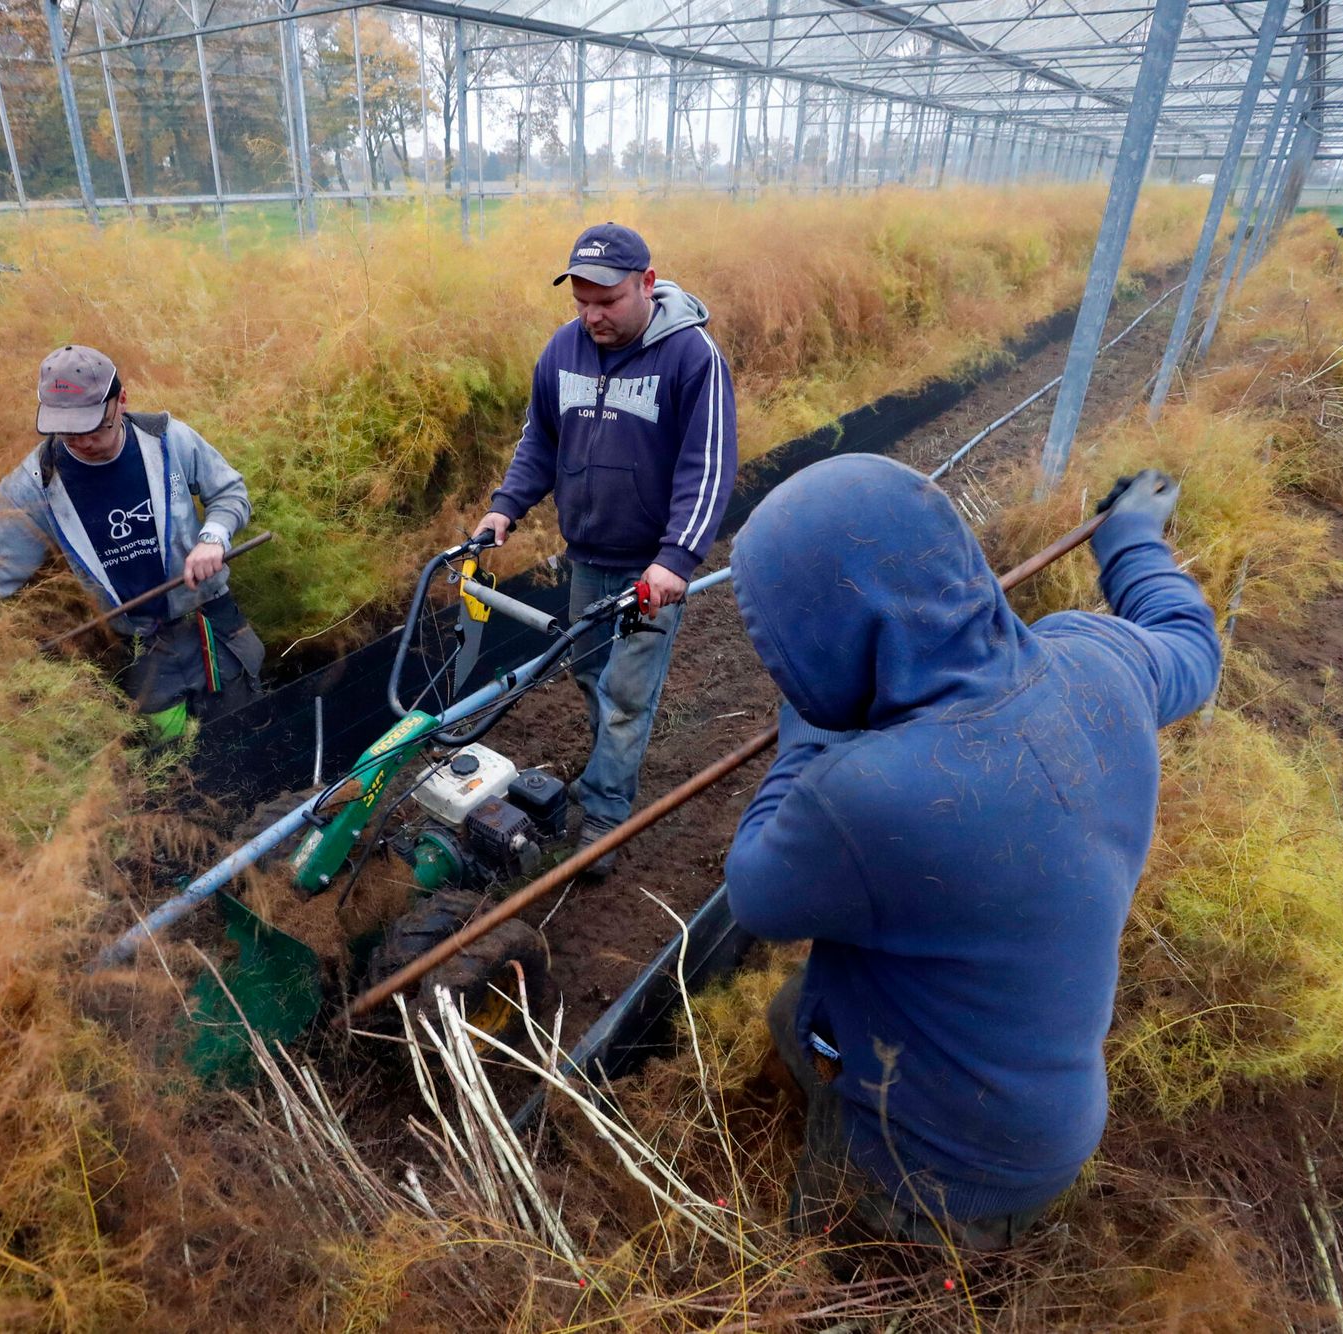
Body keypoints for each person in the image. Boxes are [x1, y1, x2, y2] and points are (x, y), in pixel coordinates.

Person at [724, 456, 1221, 1255]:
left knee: (807, 1256)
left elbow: (752, 891)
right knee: (796, 1012)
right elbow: (1192, 646)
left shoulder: (862, 798)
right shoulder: (1099, 662)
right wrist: (1131, 541)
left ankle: (848, 1251)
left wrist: (812, 722)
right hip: (1051, 1117)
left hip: (935, 1171)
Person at [474, 223, 737, 876]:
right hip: (590, 559)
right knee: (590, 671)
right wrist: (506, 507)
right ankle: (606, 775)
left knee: (624, 690)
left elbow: (708, 465)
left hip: (646, 570)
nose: (593, 316)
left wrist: (676, 559)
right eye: (582, 302)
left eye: (608, 301)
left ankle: (605, 818)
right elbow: (540, 442)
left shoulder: (690, 359)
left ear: (646, 284)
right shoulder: (563, 353)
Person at [0, 345, 263, 742]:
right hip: (144, 648)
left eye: (96, 427)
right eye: (69, 432)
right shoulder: (35, 486)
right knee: (178, 759)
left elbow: (231, 494)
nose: (83, 442)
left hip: (212, 622)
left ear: (121, 401)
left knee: (249, 734)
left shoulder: (168, 440)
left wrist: (213, 537)